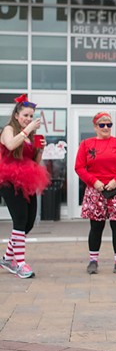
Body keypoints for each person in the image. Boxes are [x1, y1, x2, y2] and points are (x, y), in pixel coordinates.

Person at [74, 112, 116, 275]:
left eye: (109, 124)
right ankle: (93, 261)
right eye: (102, 125)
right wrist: (94, 182)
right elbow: (79, 167)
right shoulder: (86, 144)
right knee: (96, 227)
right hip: (96, 190)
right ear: (95, 127)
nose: (106, 127)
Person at [0, 94, 49, 278]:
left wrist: (41, 149)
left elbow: (35, 162)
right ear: (16, 115)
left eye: (31, 116)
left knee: (27, 223)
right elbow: (11, 146)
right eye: (25, 115)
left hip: (28, 179)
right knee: (20, 219)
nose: (28, 119)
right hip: (9, 179)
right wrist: (27, 130)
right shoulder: (8, 130)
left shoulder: (32, 136)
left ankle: (6, 258)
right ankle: (20, 263)